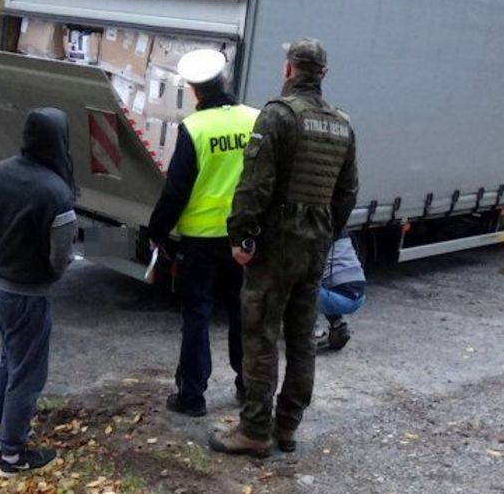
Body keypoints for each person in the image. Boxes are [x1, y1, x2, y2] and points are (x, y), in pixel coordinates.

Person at [210, 39, 359, 458]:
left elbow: (255, 183)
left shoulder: (278, 116)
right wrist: (326, 231)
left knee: (260, 333)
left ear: (289, 69)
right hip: (315, 245)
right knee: (301, 336)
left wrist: (242, 236)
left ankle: (255, 429)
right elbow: (347, 192)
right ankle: (287, 425)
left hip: (277, 244)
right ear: (323, 74)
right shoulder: (342, 124)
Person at [148, 49, 260, 417]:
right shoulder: (255, 120)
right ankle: (247, 386)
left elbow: (176, 189)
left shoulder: (194, 129)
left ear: (195, 91)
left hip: (200, 241)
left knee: (197, 315)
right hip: (244, 239)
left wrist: (158, 231)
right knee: (243, 314)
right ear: (225, 81)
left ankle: (192, 396)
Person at [0, 107, 78, 475]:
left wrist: (7, 247)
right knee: (28, 374)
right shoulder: (56, 191)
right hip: (28, 293)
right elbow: (61, 253)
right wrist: (48, 273)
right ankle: (13, 454)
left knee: (8, 358)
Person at [314, 234, 366, 352]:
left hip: (340, 298)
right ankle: (338, 324)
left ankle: (314, 334)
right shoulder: (346, 237)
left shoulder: (318, 237)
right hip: (359, 295)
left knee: (301, 289)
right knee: (329, 288)